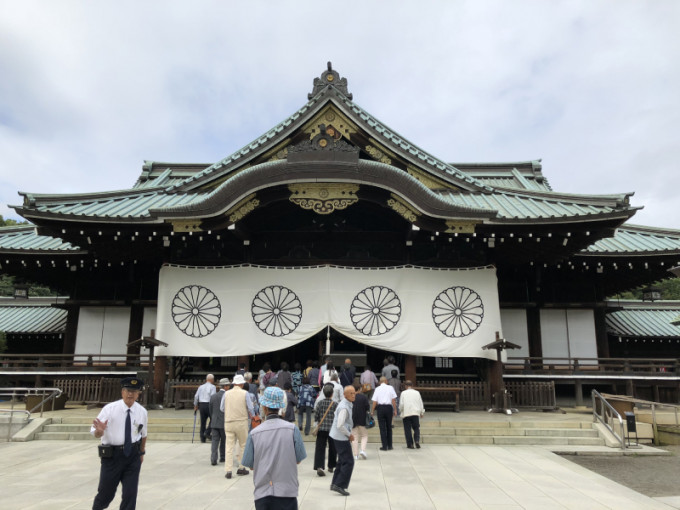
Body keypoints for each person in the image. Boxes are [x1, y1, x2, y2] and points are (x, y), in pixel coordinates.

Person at [241, 386, 307, 510]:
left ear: (264, 407)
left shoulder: (254, 433)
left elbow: (250, 465)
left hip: (263, 493)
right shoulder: (293, 430)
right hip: (287, 492)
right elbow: (298, 459)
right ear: (281, 407)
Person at [91, 377, 147, 510]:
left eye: (134, 391)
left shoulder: (142, 412)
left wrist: (141, 452)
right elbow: (95, 431)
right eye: (128, 390)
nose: (130, 394)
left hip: (132, 455)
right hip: (112, 456)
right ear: (122, 392)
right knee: (106, 493)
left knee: (130, 494)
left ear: (138, 394)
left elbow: (143, 434)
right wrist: (99, 431)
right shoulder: (110, 409)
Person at [221, 374, 254, 479]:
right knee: (243, 445)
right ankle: (241, 467)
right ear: (241, 384)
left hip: (229, 421)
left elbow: (222, 408)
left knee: (229, 446)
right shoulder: (245, 393)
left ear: (234, 383)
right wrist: (253, 417)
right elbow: (250, 408)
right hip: (241, 422)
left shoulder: (226, 393)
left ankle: (228, 470)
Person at [329, 385, 356, 496]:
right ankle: (339, 485)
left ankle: (335, 483)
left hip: (338, 435)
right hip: (340, 437)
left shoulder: (347, 403)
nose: (353, 395)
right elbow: (340, 425)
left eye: (354, 393)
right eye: (351, 393)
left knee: (342, 460)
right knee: (349, 461)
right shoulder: (344, 407)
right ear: (345, 395)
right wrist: (349, 435)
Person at [313, 384, 337, 477]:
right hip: (332, 429)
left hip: (322, 428)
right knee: (333, 447)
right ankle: (331, 466)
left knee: (320, 448)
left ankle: (319, 466)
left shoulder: (319, 403)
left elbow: (316, 416)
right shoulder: (335, 404)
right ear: (332, 394)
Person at [371, 376, 397, 451]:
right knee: (389, 427)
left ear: (380, 382)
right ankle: (390, 445)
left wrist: (372, 411)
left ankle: (384, 446)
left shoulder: (377, 389)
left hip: (380, 408)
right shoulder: (390, 388)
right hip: (389, 408)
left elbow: (374, 401)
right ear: (386, 381)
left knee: (382, 428)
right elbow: (393, 400)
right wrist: (395, 410)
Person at [209, 378, 230, 465]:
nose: (229, 387)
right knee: (224, 440)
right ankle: (222, 457)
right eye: (228, 385)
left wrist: (213, 417)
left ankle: (213, 458)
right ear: (225, 386)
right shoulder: (227, 396)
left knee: (214, 441)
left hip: (214, 421)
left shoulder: (213, 396)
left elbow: (210, 409)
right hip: (224, 422)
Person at [399, 380, 425, 449]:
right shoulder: (417, 393)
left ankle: (410, 444)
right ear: (412, 385)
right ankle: (416, 440)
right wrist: (422, 412)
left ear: (406, 386)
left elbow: (401, 404)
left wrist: (400, 410)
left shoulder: (403, 393)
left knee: (407, 429)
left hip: (406, 413)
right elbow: (420, 403)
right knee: (416, 428)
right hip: (415, 413)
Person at [193, 374, 216, 443]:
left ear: (206, 379)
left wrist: (195, 405)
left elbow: (196, 396)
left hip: (202, 405)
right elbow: (213, 397)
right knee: (214, 419)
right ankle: (207, 432)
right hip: (209, 404)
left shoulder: (201, 387)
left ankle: (202, 438)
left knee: (203, 422)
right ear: (212, 380)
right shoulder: (213, 387)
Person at [350, 381, 370, 460]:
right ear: (359, 389)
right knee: (364, 435)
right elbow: (367, 407)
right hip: (362, 419)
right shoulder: (363, 397)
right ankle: (362, 450)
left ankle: (355, 455)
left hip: (353, 419)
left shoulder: (351, 397)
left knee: (354, 437)